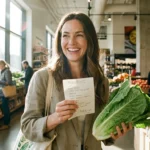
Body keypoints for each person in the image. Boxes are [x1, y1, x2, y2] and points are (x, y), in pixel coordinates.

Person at [21, 12, 132, 150]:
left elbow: (99, 134)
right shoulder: (43, 78)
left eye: (79, 35)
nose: (71, 42)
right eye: (65, 35)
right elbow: (27, 127)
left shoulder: (101, 81)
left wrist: (111, 134)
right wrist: (55, 118)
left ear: (89, 40)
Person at [0, 60, 12, 130]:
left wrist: (0, 82)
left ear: (2, 65)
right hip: (2, 92)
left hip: (5, 93)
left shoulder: (7, 71)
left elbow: (9, 82)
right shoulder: (2, 72)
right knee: (4, 107)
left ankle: (6, 124)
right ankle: (6, 122)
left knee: (5, 108)